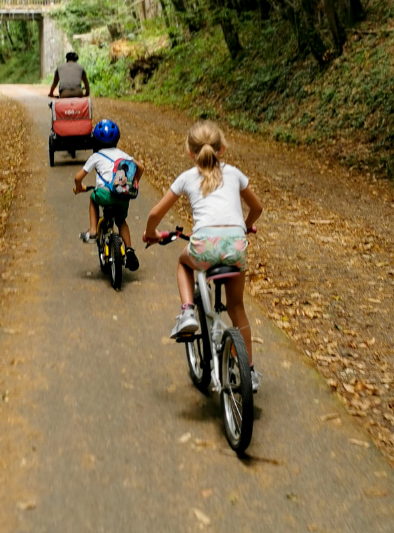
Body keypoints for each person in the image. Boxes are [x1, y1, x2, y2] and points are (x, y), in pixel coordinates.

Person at [143, 120, 263, 391]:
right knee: (237, 309)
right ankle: (251, 372)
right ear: (222, 149)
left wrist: (152, 233)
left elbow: (154, 215)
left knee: (183, 263)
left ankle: (187, 313)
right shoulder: (234, 174)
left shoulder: (186, 178)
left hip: (204, 247)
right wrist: (244, 225)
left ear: (189, 151)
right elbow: (257, 207)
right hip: (235, 247)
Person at [74, 118, 142, 271]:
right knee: (121, 220)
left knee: (93, 198)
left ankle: (92, 230)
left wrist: (79, 187)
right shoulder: (124, 155)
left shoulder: (96, 157)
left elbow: (78, 177)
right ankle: (129, 249)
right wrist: (134, 182)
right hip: (122, 196)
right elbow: (141, 167)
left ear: (95, 141)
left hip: (104, 195)